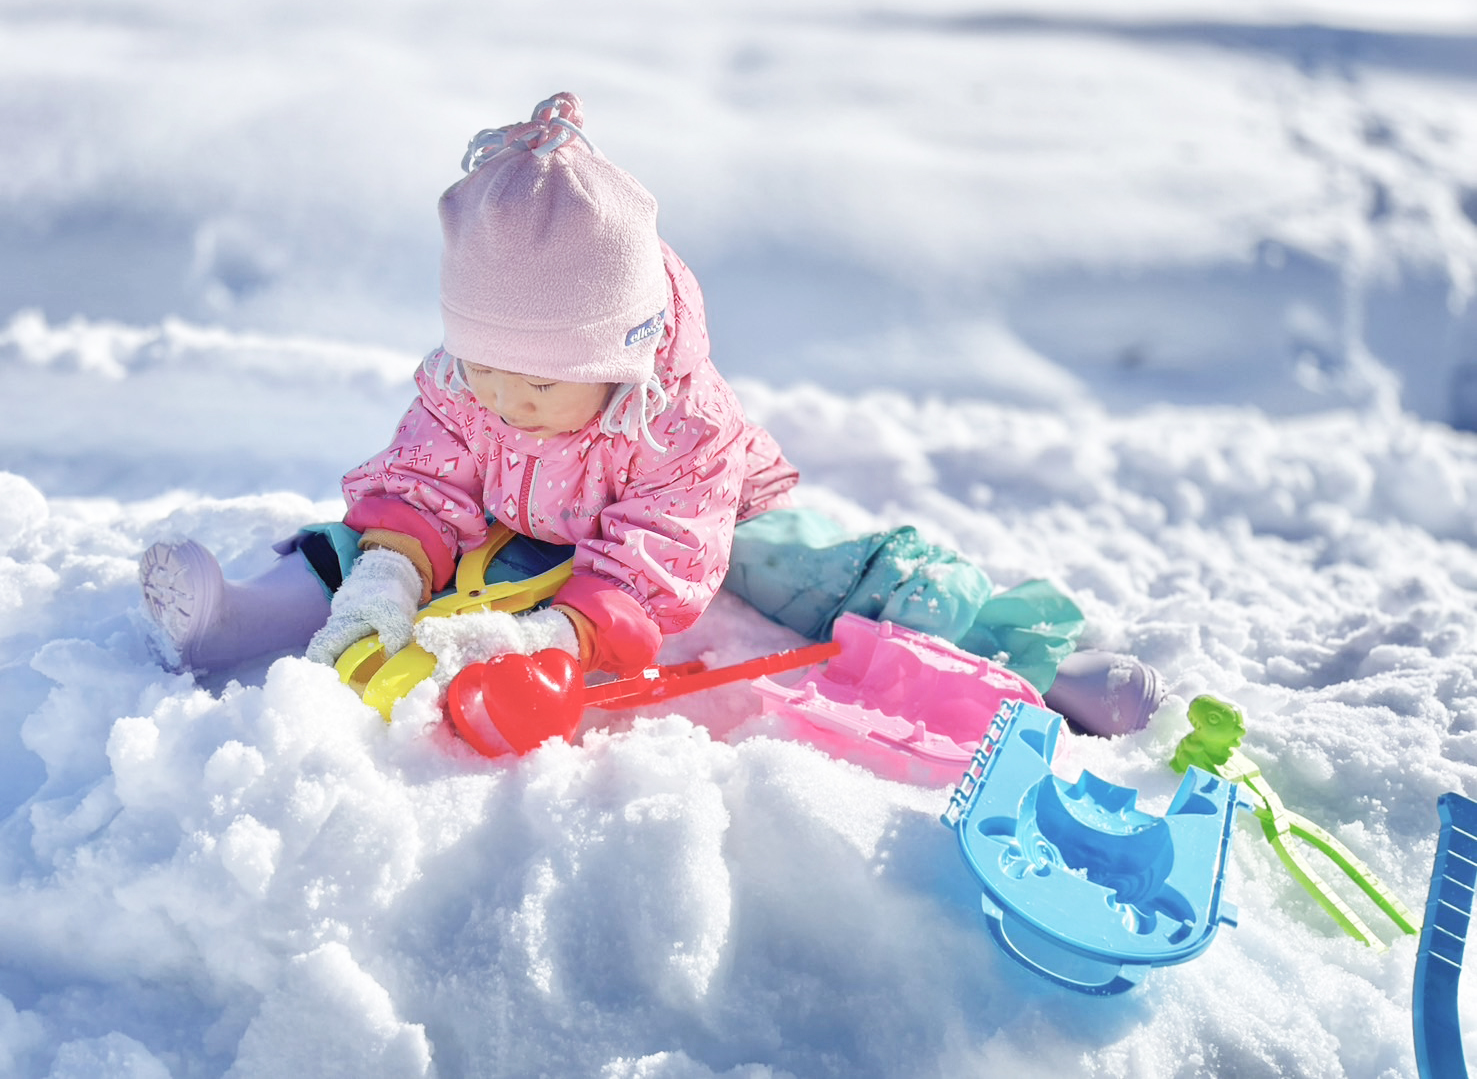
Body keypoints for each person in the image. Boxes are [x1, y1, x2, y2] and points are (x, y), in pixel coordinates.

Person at [138, 92, 1163, 738]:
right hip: (515, 520)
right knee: (362, 533)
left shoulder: (679, 429)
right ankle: (241, 617)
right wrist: (386, 574)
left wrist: (562, 635)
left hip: (674, 534)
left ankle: (1023, 656)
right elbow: (420, 481)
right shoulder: (471, 385)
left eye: (536, 385)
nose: (502, 400)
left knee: (815, 570)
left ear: (619, 356)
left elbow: (659, 560)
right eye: (481, 370)